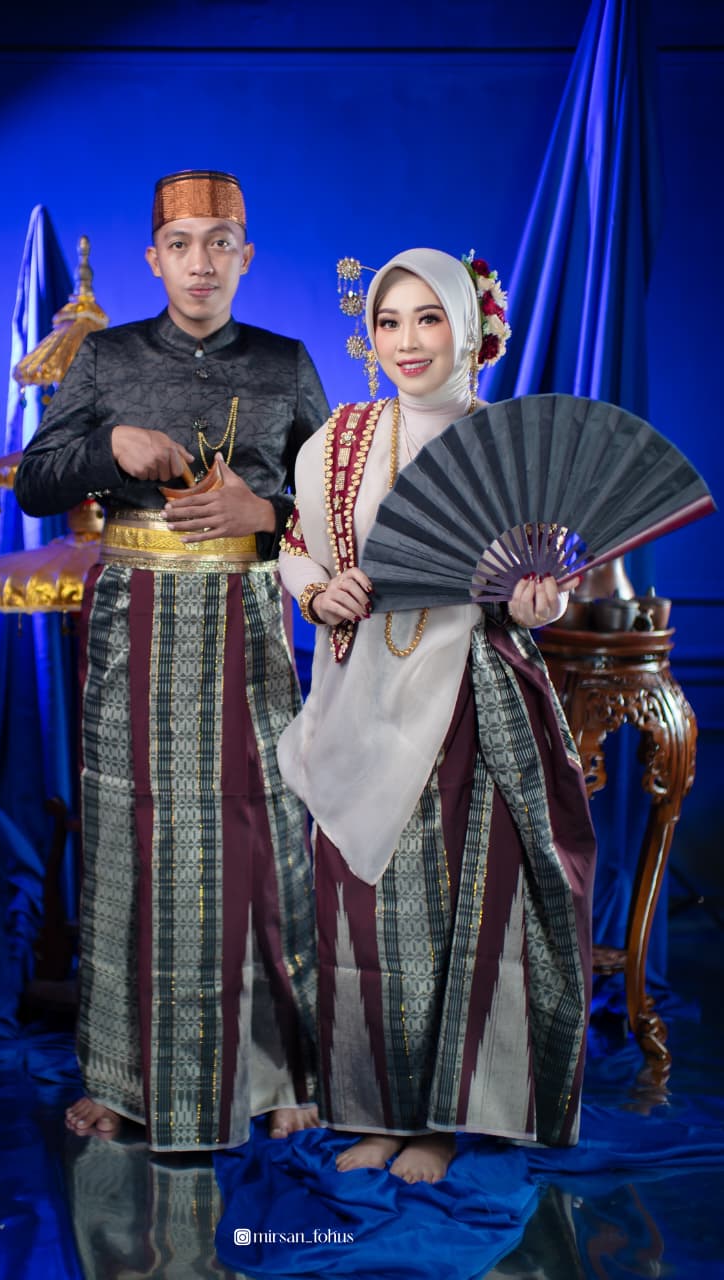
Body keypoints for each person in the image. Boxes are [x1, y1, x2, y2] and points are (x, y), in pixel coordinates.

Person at [14, 169, 329, 1151]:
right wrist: (109, 447)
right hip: (134, 617)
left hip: (247, 614)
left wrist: (264, 510)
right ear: (154, 259)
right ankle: (119, 1076)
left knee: (263, 834)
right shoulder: (106, 358)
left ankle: (282, 1069)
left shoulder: (285, 363)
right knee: (128, 836)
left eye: (220, 244)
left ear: (246, 257)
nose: (202, 263)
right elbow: (35, 483)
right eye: (182, 244)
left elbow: (341, 509)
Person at [277, 248, 596, 1184]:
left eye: (429, 318)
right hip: (360, 696)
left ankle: (444, 1121)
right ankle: (375, 1110)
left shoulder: (510, 443)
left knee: (463, 909)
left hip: (473, 697)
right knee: (365, 913)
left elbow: (551, 580)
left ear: (470, 328)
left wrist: (542, 603)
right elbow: (295, 545)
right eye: (390, 321)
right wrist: (318, 590)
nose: (408, 341)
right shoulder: (338, 441)